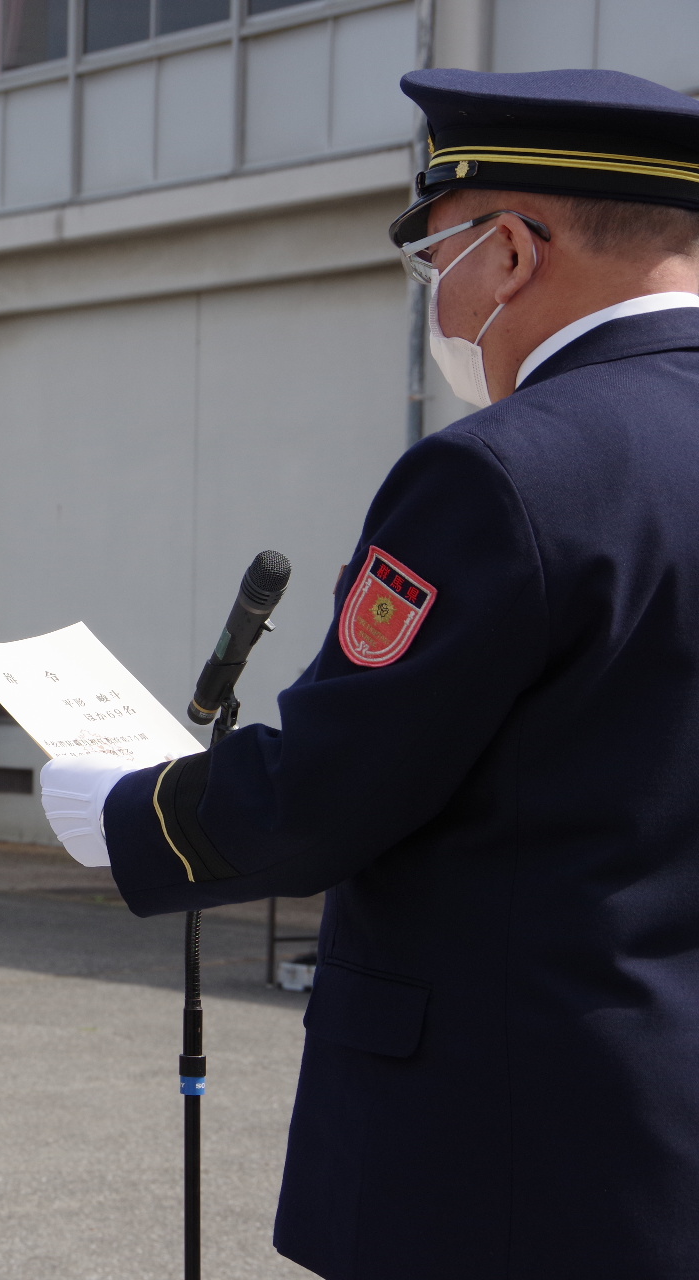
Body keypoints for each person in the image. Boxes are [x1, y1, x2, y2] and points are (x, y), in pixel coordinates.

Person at [38, 69, 699, 1279]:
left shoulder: (507, 473)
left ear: (508, 251)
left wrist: (128, 809)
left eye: (436, 260)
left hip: (511, 1150)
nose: (441, 310)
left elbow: (336, 788)